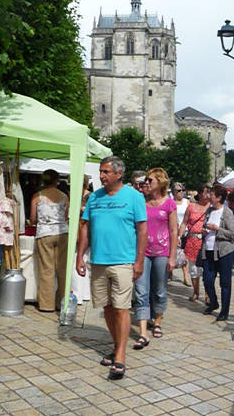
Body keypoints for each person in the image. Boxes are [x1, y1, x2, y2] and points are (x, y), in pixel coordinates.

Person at [77, 156, 147, 380]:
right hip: (98, 261)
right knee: (106, 308)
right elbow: (85, 228)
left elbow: (142, 230)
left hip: (123, 262)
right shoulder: (94, 198)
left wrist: (139, 261)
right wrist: (80, 256)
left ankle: (120, 356)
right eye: (100, 171)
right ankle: (117, 346)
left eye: (106, 171)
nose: (101, 175)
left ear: (119, 174)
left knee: (121, 308)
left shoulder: (134, 197)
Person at [133, 168, 177, 349]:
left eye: (150, 180)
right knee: (141, 290)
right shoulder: (140, 202)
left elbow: (174, 231)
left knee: (159, 290)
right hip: (143, 252)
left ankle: (157, 321)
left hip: (161, 252)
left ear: (160, 182)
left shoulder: (169, 204)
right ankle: (143, 332)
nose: (146, 183)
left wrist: (172, 256)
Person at [30, 169, 70, 312]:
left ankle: (46, 305)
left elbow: (33, 219)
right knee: (62, 268)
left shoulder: (37, 196)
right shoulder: (65, 196)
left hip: (44, 233)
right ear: (56, 180)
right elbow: (66, 217)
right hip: (62, 232)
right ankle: (62, 302)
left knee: (46, 269)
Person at [201, 184, 234, 321]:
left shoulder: (227, 213)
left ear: (219, 197)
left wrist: (217, 229)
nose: (209, 196)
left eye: (212, 194)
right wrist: (204, 231)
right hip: (208, 250)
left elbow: (232, 235)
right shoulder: (209, 211)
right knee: (207, 280)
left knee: (225, 283)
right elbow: (205, 226)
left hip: (224, 252)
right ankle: (214, 302)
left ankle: (224, 311)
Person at [178, 185, 211, 302]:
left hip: (206, 242)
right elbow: (184, 223)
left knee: (206, 270)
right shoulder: (191, 206)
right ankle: (196, 292)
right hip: (192, 241)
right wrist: (179, 236)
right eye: (206, 192)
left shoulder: (212, 208)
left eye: (210, 192)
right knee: (193, 269)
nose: (208, 195)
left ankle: (208, 294)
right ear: (200, 194)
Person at [172, 182, 191, 286]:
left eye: (182, 190)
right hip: (174, 230)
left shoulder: (187, 202)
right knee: (174, 252)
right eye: (179, 190)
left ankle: (185, 277)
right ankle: (170, 272)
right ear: (174, 192)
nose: (181, 192)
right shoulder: (171, 203)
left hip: (186, 231)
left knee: (185, 254)